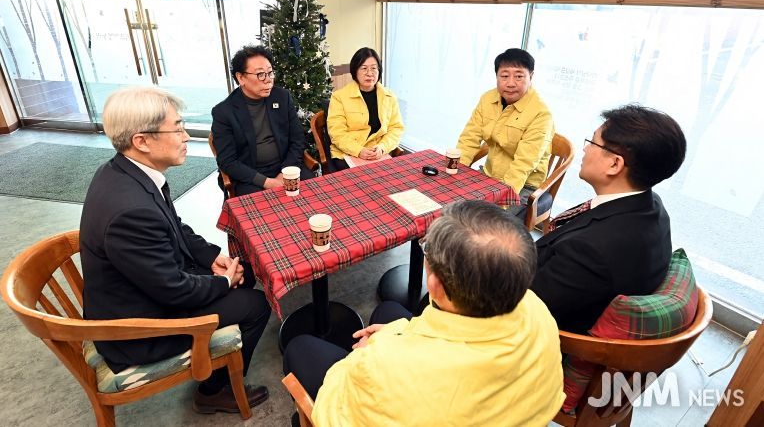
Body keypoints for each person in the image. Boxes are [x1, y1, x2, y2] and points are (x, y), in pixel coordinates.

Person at [283, 200, 565, 426]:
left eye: (426, 248)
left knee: (299, 348)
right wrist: (394, 334)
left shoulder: (384, 367)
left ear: (435, 285)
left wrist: (364, 356)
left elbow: (337, 407)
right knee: (388, 311)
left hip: (405, 387)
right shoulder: (538, 311)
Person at [80, 87, 272, 414]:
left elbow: (174, 226)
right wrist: (222, 281)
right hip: (139, 330)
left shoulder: (125, 171)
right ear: (142, 141)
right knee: (256, 304)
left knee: (245, 275)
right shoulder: (131, 211)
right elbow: (174, 291)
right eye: (177, 128)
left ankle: (218, 370)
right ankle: (214, 391)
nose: (186, 137)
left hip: (142, 290)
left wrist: (212, 258)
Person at [531, 104, 687, 334]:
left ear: (615, 164)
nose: (585, 149)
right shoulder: (651, 205)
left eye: (592, 142)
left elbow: (526, 308)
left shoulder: (590, 252)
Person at [456, 48, 554, 216]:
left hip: (523, 186)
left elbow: (523, 165)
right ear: (496, 76)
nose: (510, 83)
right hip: (489, 175)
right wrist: (455, 171)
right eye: (504, 76)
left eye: (519, 76)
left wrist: (498, 205)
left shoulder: (541, 114)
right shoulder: (488, 99)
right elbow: (469, 139)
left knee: (483, 222)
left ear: (531, 77)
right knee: (448, 205)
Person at [211, 45, 312, 196]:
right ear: (241, 78)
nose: (268, 80)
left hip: (286, 167)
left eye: (270, 73)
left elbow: (297, 140)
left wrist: (284, 173)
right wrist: (266, 182)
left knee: (314, 196)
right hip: (250, 177)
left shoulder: (282, 97)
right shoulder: (224, 112)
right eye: (260, 74)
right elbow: (227, 161)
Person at [326, 47, 404, 171]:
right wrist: (359, 150)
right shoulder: (339, 97)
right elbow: (337, 133)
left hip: (378, 152)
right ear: (355, 71)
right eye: (364, 68)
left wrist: (382, 147)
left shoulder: (389, 96)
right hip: (348, 153)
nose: (369, 73)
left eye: (374, 68)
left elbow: (396, 128)